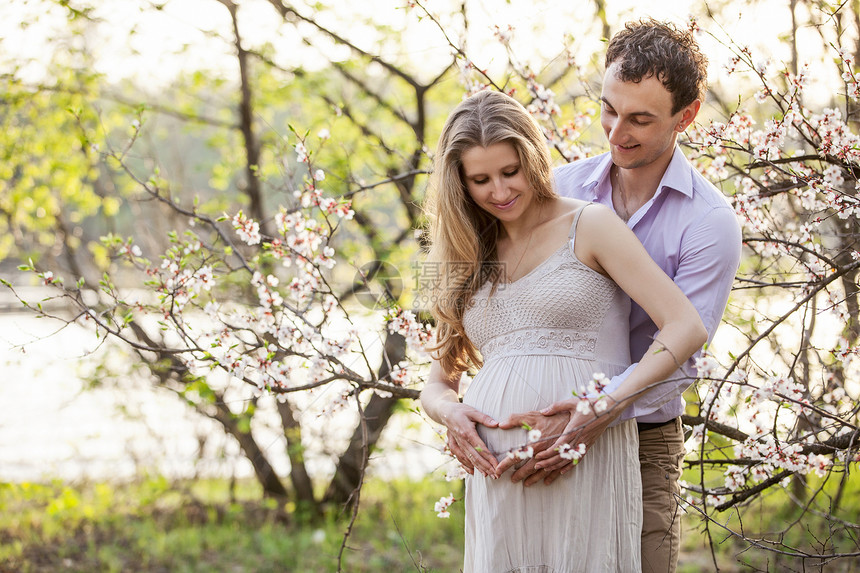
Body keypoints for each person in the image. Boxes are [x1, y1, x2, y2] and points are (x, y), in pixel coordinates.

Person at [479, 19, 743, 573]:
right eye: (608, 109)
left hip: (642, 441)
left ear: (686, 117)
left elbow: (682, 353)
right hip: (540, 432)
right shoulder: (562, 188)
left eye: (640, 119)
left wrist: (599, 410)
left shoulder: (708, 223)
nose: (616, 131)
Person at [420, 89, 707, 572]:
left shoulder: (590, 224)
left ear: (532, 158)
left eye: (510, 172)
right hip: (496, 472)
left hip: (582, 451)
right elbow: (436, 382)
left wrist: (604, 404)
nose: (500, 190)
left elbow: (685, 326)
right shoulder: (464, 253)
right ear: (459, 184)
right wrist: (450, 413)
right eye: (480, 179)